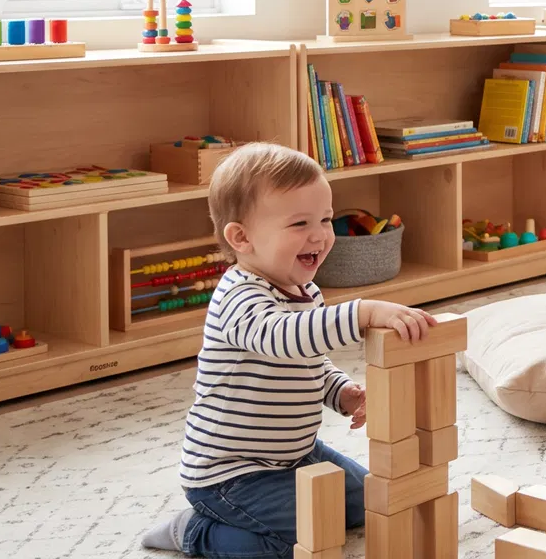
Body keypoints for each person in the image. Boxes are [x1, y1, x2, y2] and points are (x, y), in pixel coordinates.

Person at [143, 143, 436, 558]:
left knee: (368, 500)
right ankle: (192, 531)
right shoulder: (238, 297)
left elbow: (308, 360)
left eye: (325, 219)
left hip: (295, 454)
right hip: (230, 475)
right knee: (294, 543)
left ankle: (276, 502)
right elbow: (283, 337)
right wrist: (363, 312)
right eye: (299, 223)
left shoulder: (306, 291)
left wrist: (341, 392)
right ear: (242, 237)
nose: (319, 235)